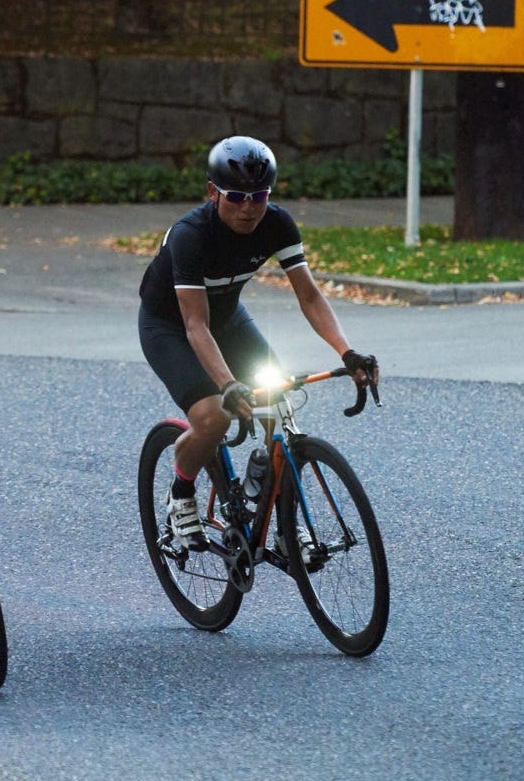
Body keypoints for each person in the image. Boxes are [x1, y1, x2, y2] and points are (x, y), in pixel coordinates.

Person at [137, 136, 379, 549]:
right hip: (171, 327)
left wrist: (347, 351)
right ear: (213, 192)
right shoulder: (190, 235)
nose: (248, 207)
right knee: (214, 418)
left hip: (229, 320)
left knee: (279, 399)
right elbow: (195, 325)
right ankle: (181, 492)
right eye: (236, 196)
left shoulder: (277, 223)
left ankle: (283, 522)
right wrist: (228, 384)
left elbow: (309, 296)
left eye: (259, 196)